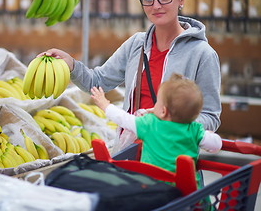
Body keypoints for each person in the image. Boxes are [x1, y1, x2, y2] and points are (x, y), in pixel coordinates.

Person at [39, 0, 221, 152]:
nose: (156, 5)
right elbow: (97, 82)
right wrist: (70, 63)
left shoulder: (202, 54)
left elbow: (211, 118)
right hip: (130, 155)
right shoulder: (136, 44)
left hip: (171, 159)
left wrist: (168, 123)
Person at [90, 73, 222, 185]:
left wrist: (105, 104)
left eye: (157, 101)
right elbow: (216, 145)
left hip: (153, 188)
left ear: (163, 111)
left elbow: (123, 119)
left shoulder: (150, 124)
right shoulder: (194, 129)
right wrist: (208, 134)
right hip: (186, 193)